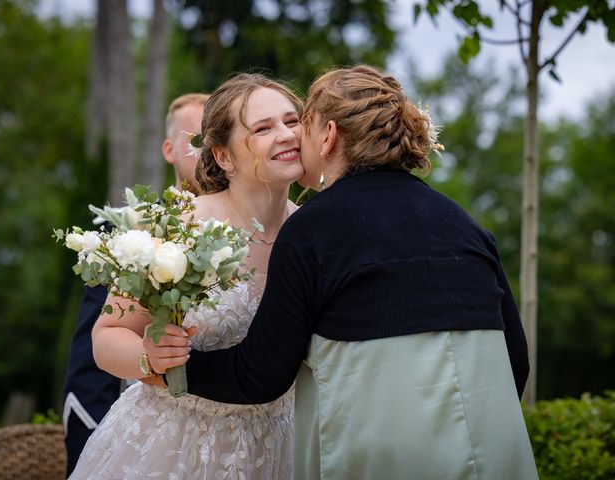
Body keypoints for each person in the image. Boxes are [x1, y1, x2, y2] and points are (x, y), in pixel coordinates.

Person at [146, 65, 539, 479]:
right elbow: (516, 360)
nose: (294, 139)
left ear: (329, 136)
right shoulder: (466, 225)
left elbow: (261, 375)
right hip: (495, 453)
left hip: (383, 461)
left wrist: (174, 369)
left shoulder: (311, 230)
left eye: (303, 125)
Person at [68, 73, 304, 479]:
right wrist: (148, 358)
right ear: (224, 156)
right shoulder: (177, 227)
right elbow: (105, 337)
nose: (286, 135)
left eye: (292, 121)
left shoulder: (314, 232)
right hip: (174, 446)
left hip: (281, 447)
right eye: (263, 128)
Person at [61, 92, 208, 476]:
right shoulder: (131, 230)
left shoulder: (258, 229)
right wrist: (91, 437)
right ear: (168, 148)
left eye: (215, 136)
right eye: (195, 138)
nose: (205, 148)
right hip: (143, 429)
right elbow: (93, 343)